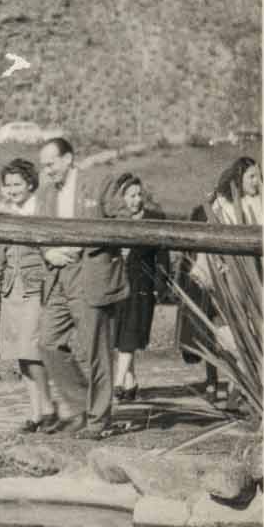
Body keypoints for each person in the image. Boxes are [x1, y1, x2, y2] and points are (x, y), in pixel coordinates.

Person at [33, 135, 129, 439]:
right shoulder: (45, 193)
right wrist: (49, 252)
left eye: (51, 164)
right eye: (44, 166)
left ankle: (98, 421)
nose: (47, 171)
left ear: (68, 159)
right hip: (59, 279)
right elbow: (37, 232)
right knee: (47, 342)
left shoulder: (100, 183)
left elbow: (125, 223)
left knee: (95, 353)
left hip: (92, 277)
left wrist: (84, 243)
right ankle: (81, 406)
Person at [177, 155, 262, 403]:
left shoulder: (259, 204)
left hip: (256, 279)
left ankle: (239, 391)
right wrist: (216, 267)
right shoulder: (223, 206)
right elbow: (210, 244)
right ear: (239, 178)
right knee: (229, 332)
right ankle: (228, 386)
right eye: (251, 176)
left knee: (251, 331)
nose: (256, 182)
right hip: (230, 279)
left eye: (258, 177)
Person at [0, 158, 53, 430]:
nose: (12, 190)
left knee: (32, 351)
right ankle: (36, 414)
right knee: (21, 355)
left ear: (30, 184)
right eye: (7, 185)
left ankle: (49, 408)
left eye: (17, 184)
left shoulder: (41, 211)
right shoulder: (4, 214)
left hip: (36, 290)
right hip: (12, 291)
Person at [102, 169, 162, 399]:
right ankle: (130, 382)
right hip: (117, 284)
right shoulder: (113, 222)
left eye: (139, 195)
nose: (136, 200)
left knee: (129, 334)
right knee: (122, 337)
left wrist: (159, 285)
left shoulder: (153, 220)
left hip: (141, 286)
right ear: (121, 198)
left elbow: (162, 256)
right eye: (131, 195)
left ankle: (117, 384)